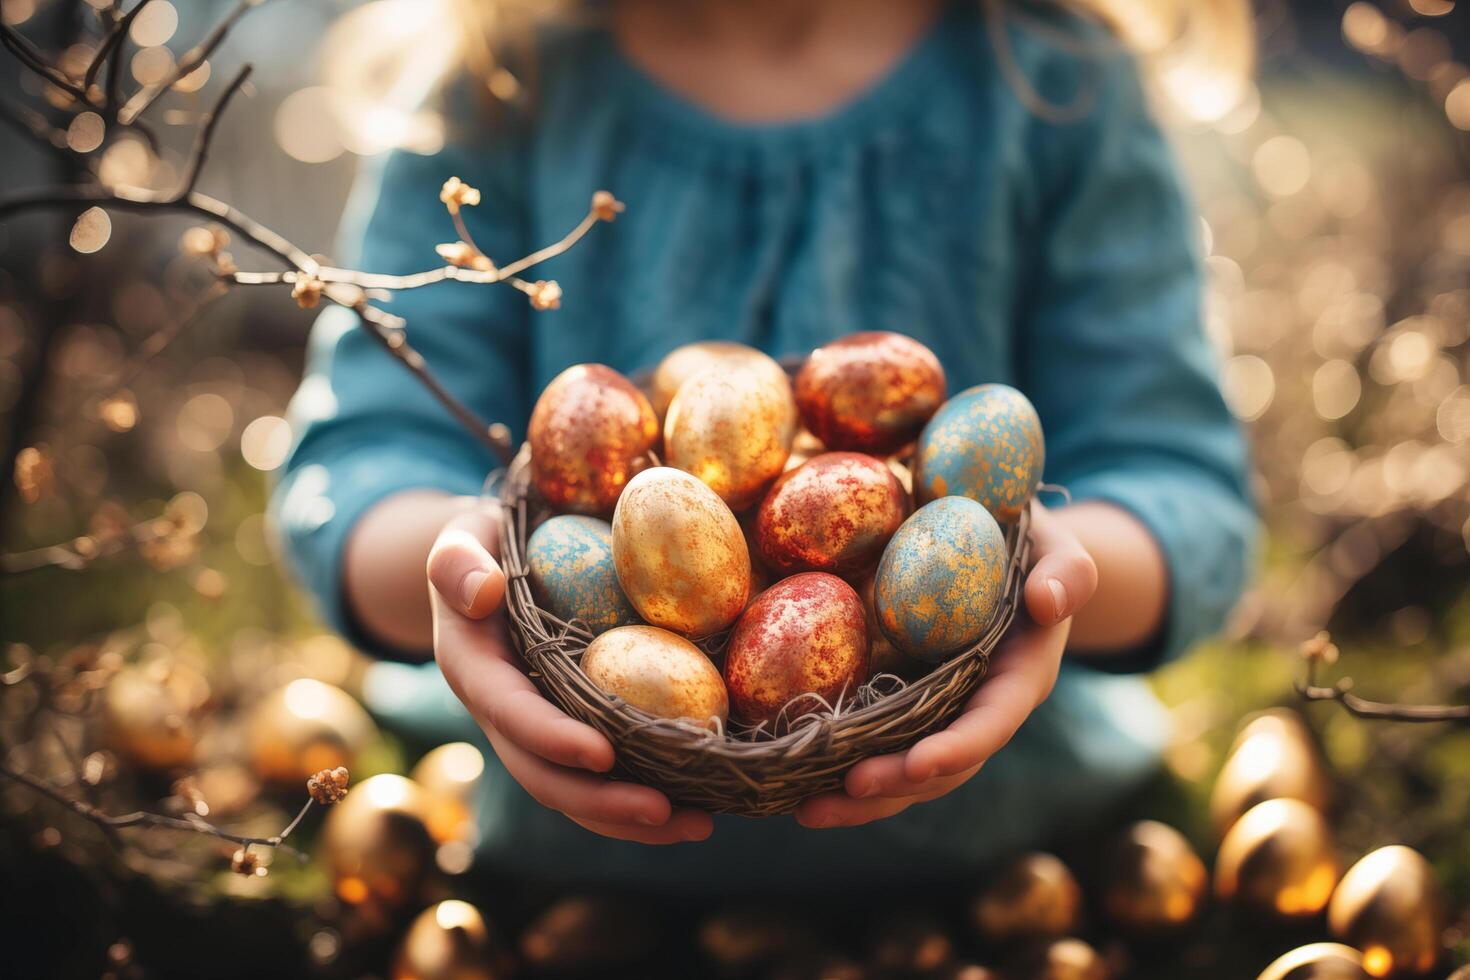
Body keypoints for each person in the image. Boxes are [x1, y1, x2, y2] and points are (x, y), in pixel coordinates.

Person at [275, 0, 1256, 890]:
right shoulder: (498, 81)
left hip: (1008, 844)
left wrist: (1031, 575)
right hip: (572, 865)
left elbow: (1185, 492)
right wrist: (469, 574)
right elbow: (358, 469)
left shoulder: (1055, 81)